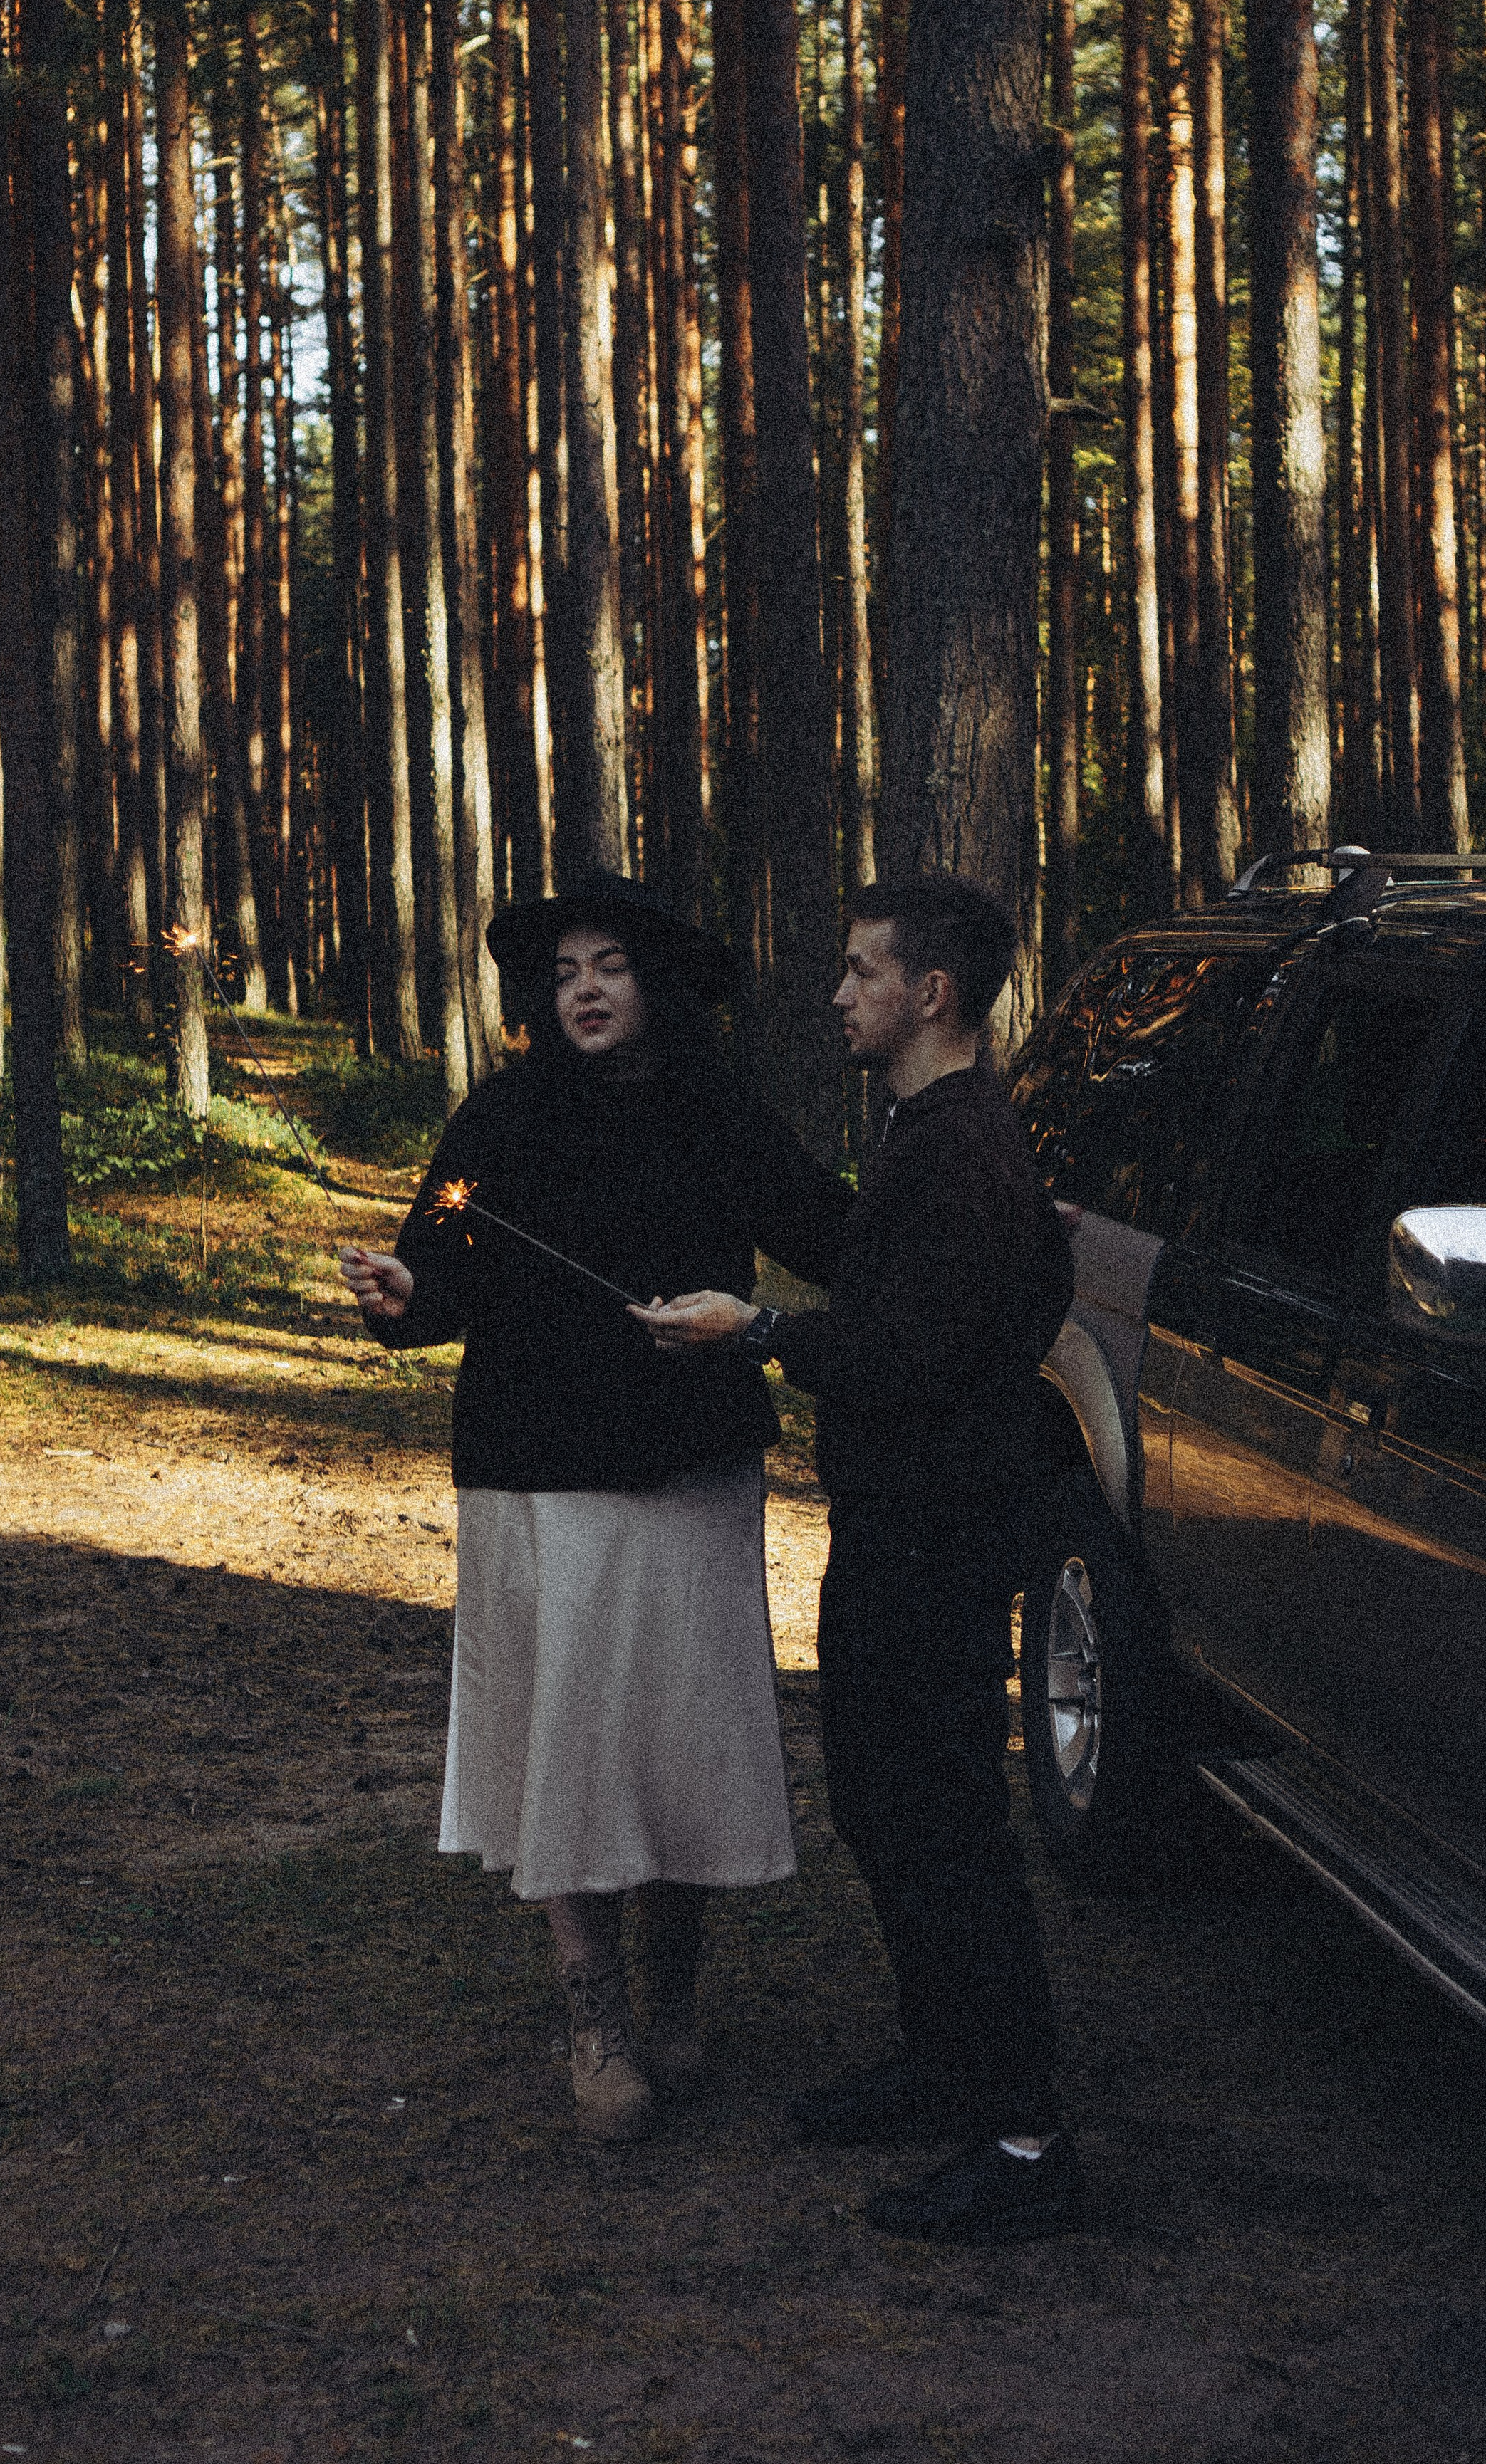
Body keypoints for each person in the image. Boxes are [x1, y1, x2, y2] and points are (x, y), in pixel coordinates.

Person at [338, 873, 851, 2144]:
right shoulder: (500, 1121)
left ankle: (673, 1993)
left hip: (691, 1470)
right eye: (565, 970)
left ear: (657, 985)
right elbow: (442, 1269)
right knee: (575, 1745)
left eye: (610, 964)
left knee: (679, 1739)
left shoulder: (723, 1114)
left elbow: (836, 1236)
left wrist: (978, 1226)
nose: (582, 987)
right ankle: (595, 2018)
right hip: (542, 1473)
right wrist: (402, 1292)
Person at [635, 875, 1081, 2242]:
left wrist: (758, 1331)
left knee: (942, 1825)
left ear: (930, 993)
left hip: (936, 1539)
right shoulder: (931, 1135)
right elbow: (916, 1301)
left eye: (859, 970)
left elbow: (907, 1358)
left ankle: (1026, 2144)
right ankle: (949, 2071)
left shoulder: (962, 1152)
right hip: (909, 1525)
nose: (837, 994)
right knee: (894, 1812)